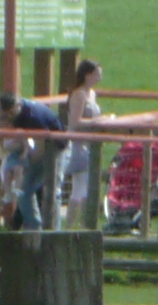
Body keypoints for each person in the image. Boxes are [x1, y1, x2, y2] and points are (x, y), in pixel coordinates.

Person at [0, 90, 62, 229]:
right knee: (24, 191)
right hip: (35, 149)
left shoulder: (33, 116)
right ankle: (34, 229)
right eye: (6, 113)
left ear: (18, 104)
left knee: (52, 189)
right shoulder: (14, 115)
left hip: (56, 148)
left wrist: (26, 164)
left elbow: (41, 147)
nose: (9, 116)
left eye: (10, 113)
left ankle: (54, 231)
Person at [53, 58, 106, 224]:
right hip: (78, 144)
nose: (100, 78)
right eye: (97, 74)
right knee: (82, 188)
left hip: (88, 143)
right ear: (87, 75)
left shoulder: (92, 94)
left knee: (80, 189)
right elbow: (75, 122)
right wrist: (96, 122)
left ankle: (74, 225)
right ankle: (83, 224)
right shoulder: (79, 95)